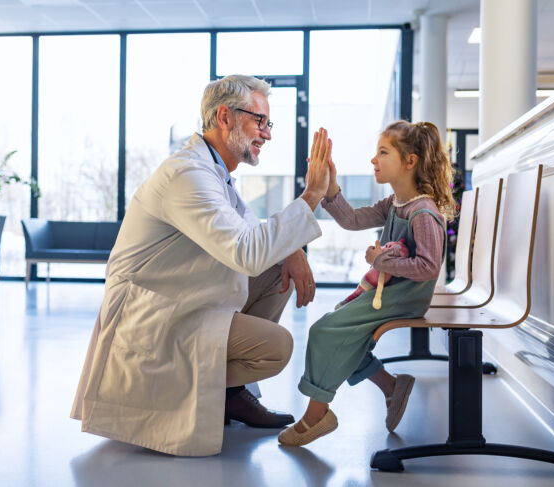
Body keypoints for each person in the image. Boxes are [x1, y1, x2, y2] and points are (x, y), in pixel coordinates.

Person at [70, 75, 334, 456]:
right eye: (260, 121)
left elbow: (249, 235)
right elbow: (246, 252)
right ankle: (194, 390)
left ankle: (227, 395)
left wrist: (291, 250)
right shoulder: (187, 175)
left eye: (268, 124)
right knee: (276, 348)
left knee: (278, 269)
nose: (268, 135)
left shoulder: (215, 174)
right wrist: (310, 196)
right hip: (152, 316)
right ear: (224, 116)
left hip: (183, 300)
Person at [278, 120, 456, 447]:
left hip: (406, 296)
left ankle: (316, 415)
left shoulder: (423, 211)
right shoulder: (395, 204)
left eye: (383, 153)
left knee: (325, 331)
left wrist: (379, 260)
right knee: (342, 329)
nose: (374, 160)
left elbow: (429, 268)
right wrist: (330, 186)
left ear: (410, 162)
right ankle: (391, 387)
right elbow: (352, 220)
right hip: (390, 291)